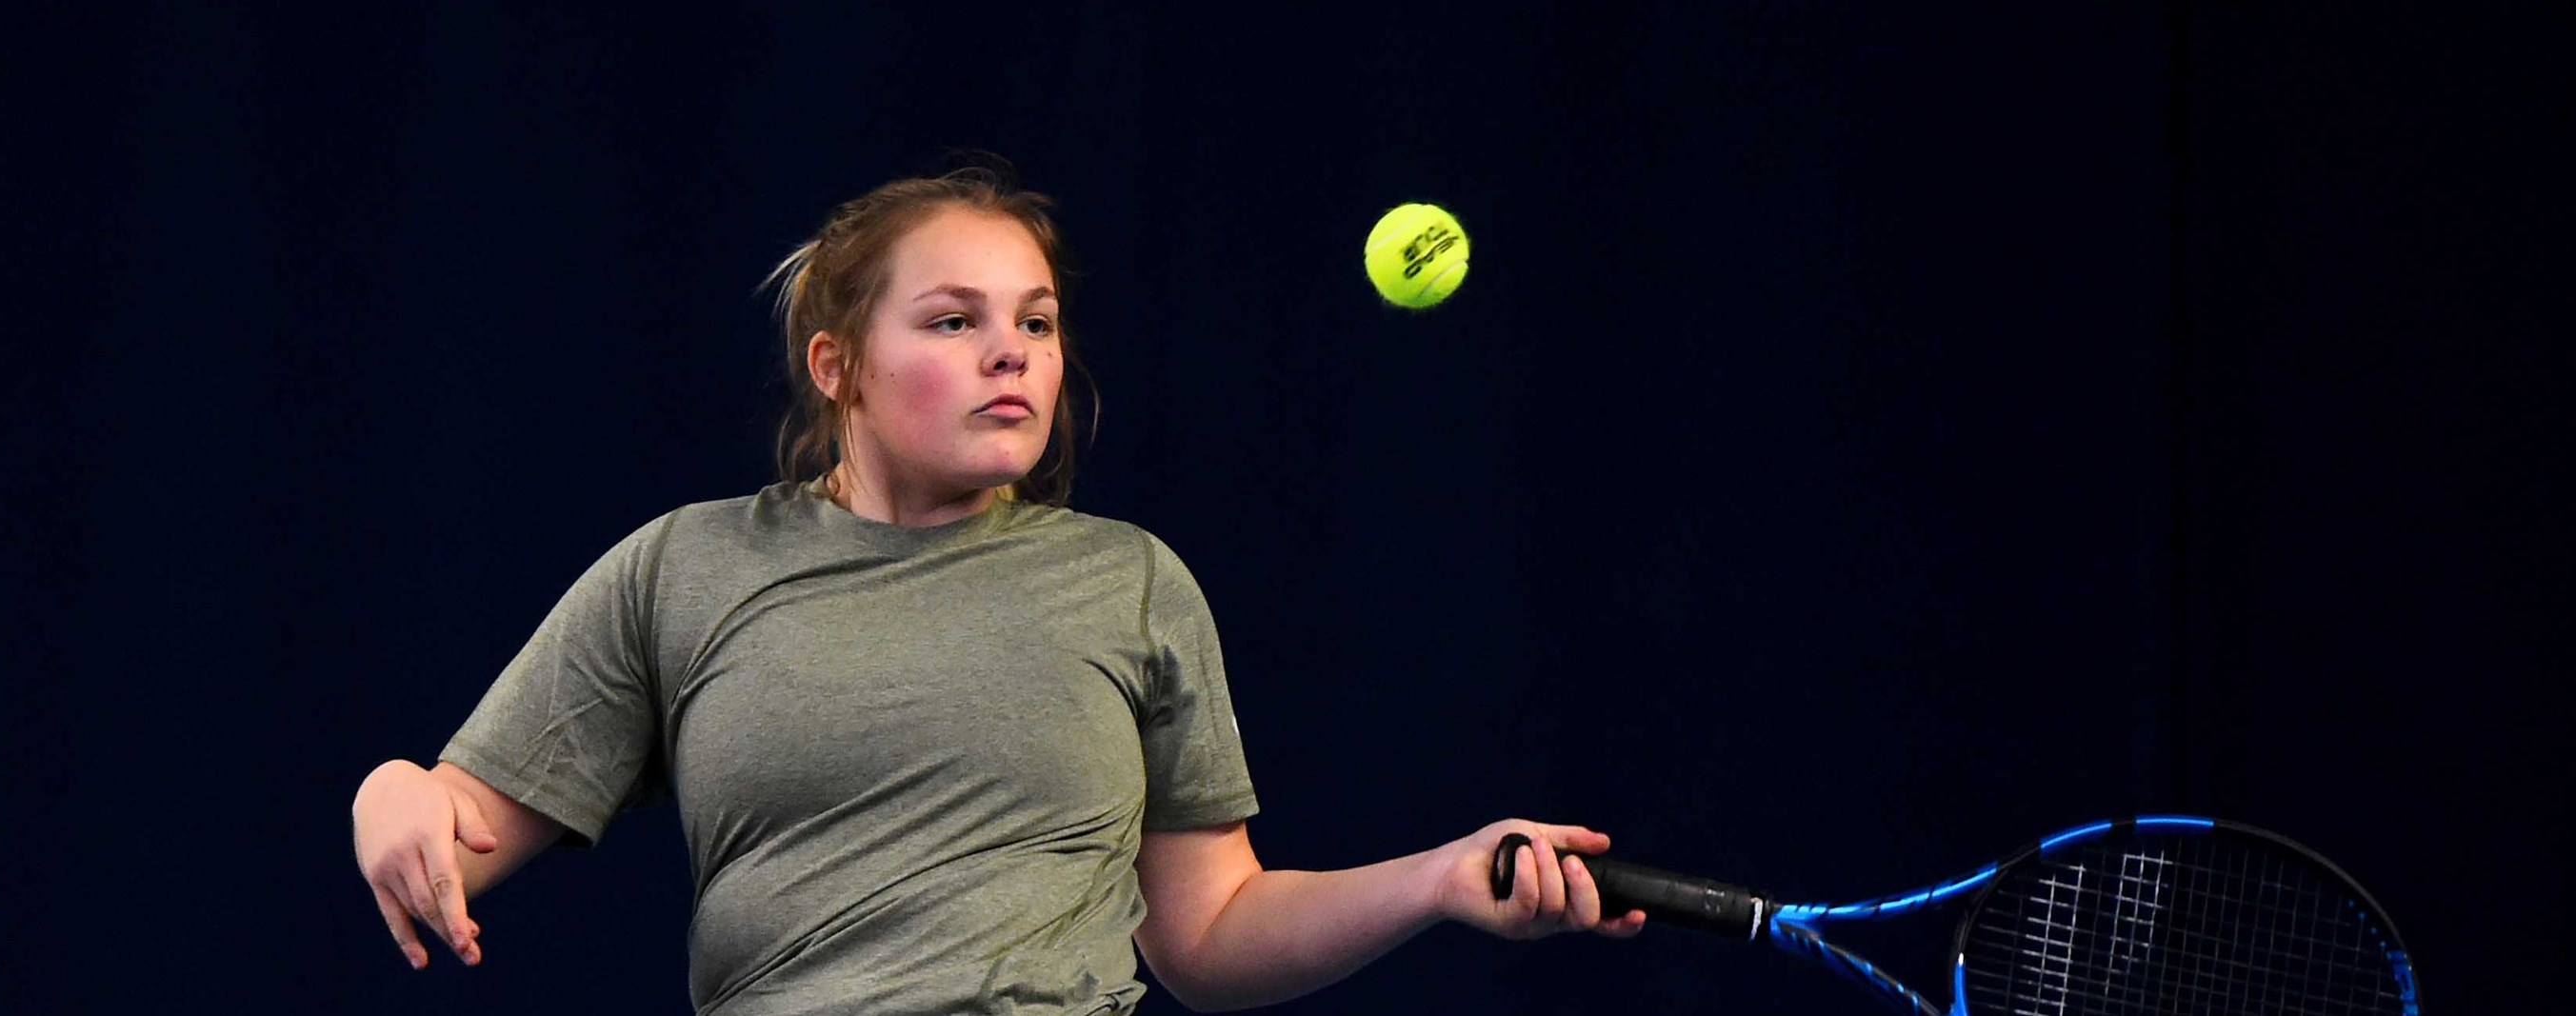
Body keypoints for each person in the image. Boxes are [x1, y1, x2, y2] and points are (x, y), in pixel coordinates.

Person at [348, 166, 1644, 1014]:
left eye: (1033, 321)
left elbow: (1210, 933)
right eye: (954, 321)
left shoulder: (1130, 584)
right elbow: (454, 822)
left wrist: (1437, 880)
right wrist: (389, 794)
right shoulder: (687, 569)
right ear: (838, 363)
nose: (1008, 355)